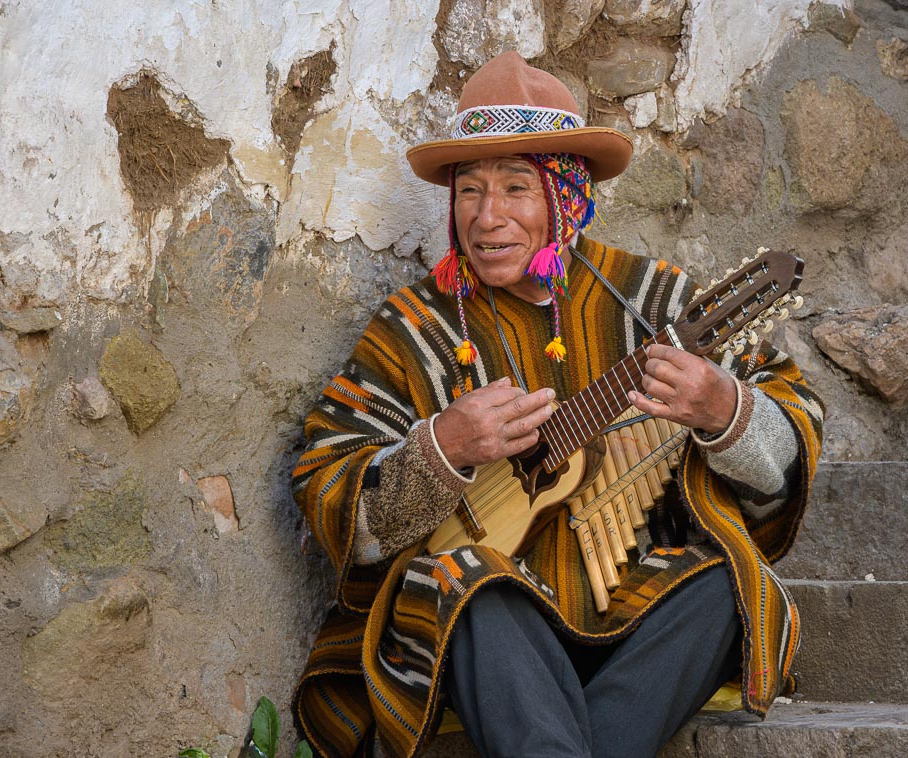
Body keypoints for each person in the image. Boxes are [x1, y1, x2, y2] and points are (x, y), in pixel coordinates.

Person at [291, 51, 823, 758]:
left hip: (635, 617)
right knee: (463, 580)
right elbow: (329, 489)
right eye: (470, 190)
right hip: (492, 633)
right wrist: (441, 449)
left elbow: (788, 445)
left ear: (566, 195)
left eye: (517, 188)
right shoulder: (413, 329)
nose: (488, 217)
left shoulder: (651, 301)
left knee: (732, 586)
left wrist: (725, 409)